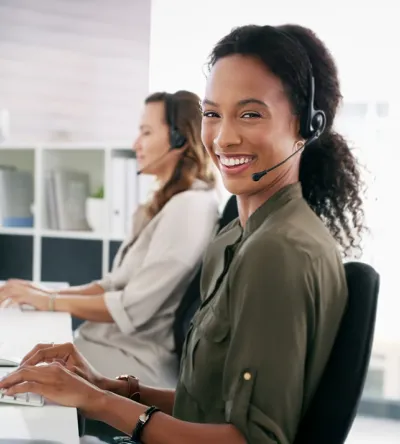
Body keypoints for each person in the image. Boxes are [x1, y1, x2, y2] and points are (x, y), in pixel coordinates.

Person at [0, 24, 366, 444]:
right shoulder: (239, 236)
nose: (224, 137)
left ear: (308, 124)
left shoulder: (279, 251)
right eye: (212, 114)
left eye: (250, 113)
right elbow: (209, 406)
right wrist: (104, 385)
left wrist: (100, 403)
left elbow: (251, 440)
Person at [0, 90, 219, 388]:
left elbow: (131, 307)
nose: (135, 144)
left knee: (17, 361)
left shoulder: (190, 208)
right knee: (17, 350)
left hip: (133, 360)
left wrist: (49, 301)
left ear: (180, 139)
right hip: (107, 345)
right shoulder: (166, 204)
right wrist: (41, 294)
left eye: (146, 132)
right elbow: (113, 283)